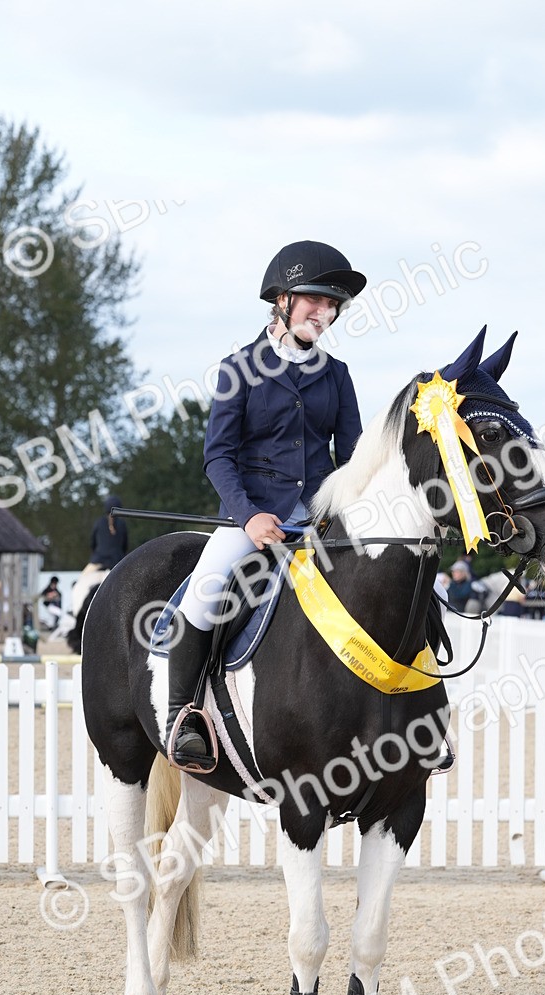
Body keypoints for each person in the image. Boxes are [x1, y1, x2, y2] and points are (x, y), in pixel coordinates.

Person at [167, 239, 366, 768]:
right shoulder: (238, 369)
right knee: (206, 591)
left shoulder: (337, 375)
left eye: (332, 307)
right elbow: (218, 458)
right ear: (281, 299)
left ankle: (415, 710)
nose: (324, 314)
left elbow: (352, 458)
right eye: (315, 302)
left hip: (321, 518)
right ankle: (182, 716)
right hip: (253, 515)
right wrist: (250, 515)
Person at [89, 495, 129, 570]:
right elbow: (125, 546)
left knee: (82, 580)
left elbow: (93, 544)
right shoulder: (122, 524)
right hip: (118, 562)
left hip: (98, 561)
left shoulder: (99, 522)